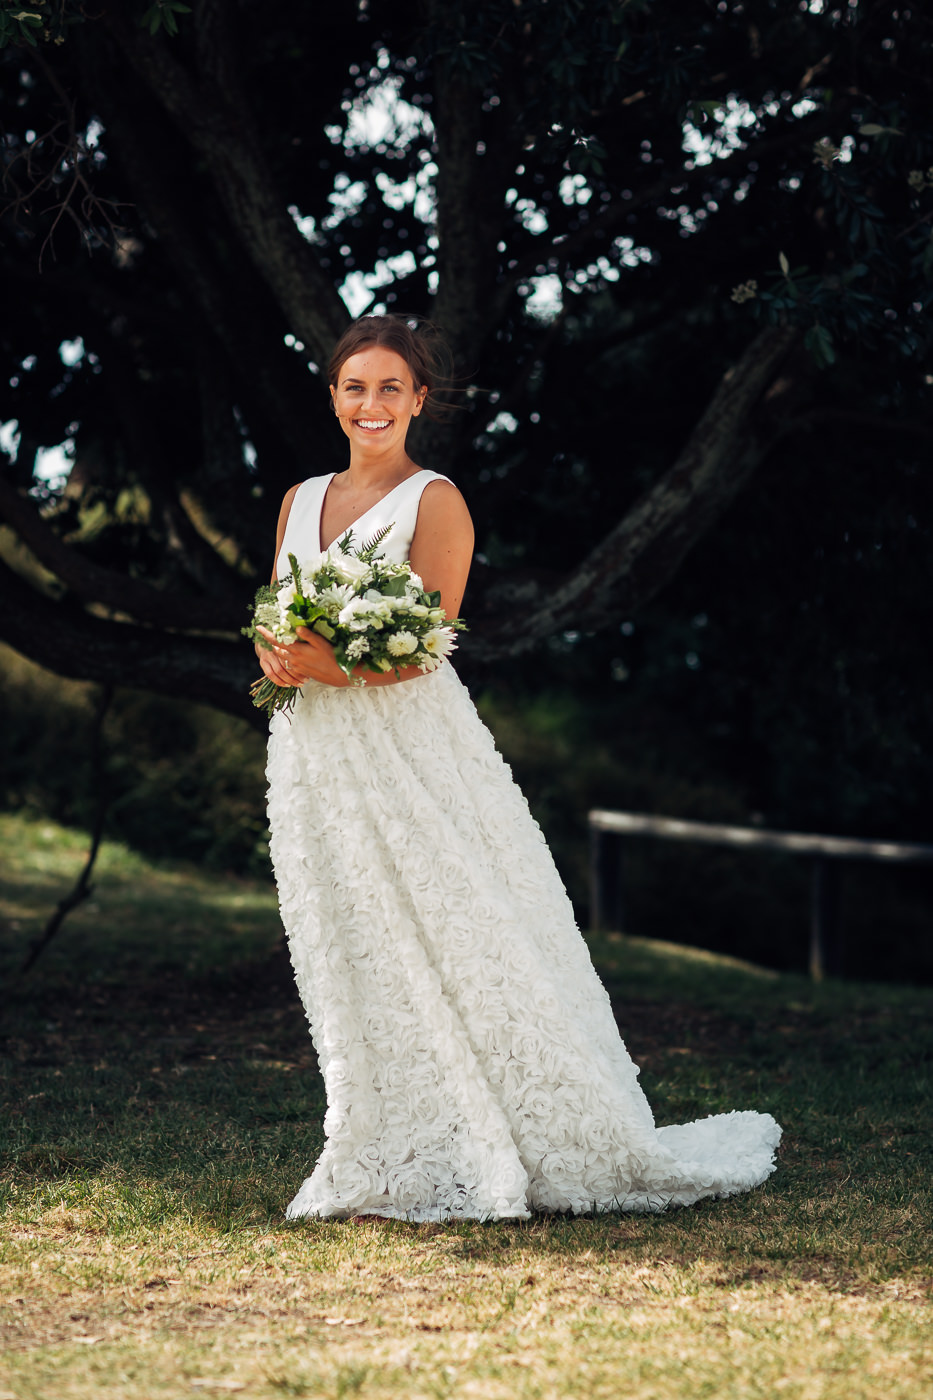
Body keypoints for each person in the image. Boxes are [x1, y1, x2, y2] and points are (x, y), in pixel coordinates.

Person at [258, 314, 781, 1222]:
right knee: (354, 934)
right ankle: (384, 1136)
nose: (371, 405)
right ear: (333, 397)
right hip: (316, 749)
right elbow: (277, 607)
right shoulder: (299, 498)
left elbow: (426, 643)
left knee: (459, 922)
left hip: (409, 746)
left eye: (390, 388)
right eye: (355, 387)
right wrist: (274, 650)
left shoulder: (435, 500)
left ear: (419, 400)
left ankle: (522, 1132)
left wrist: (326, 664)